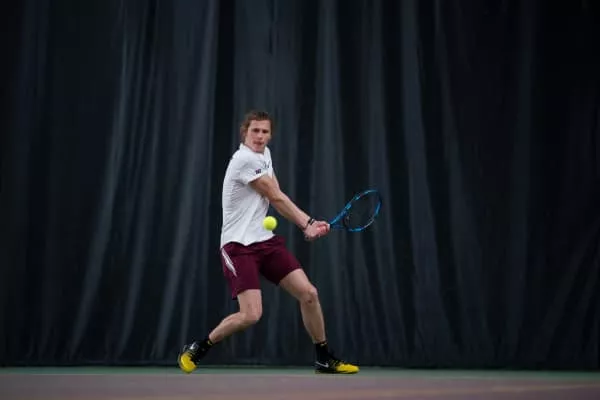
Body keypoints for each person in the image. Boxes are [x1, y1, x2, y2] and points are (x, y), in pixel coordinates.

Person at [177, 110, 359, 374]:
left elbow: (278, 195)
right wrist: (307, 223)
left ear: (270, 135)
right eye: (255, 131)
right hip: (238, 247)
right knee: (251, 315)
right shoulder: (243, 160)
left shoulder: (265, 155)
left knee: (309, 294)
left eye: (265, 132)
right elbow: (275, 197)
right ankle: (199, 346)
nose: (260, 136)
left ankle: (324, 358)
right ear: (245, 132)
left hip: (265, 242)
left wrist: (309, 223)